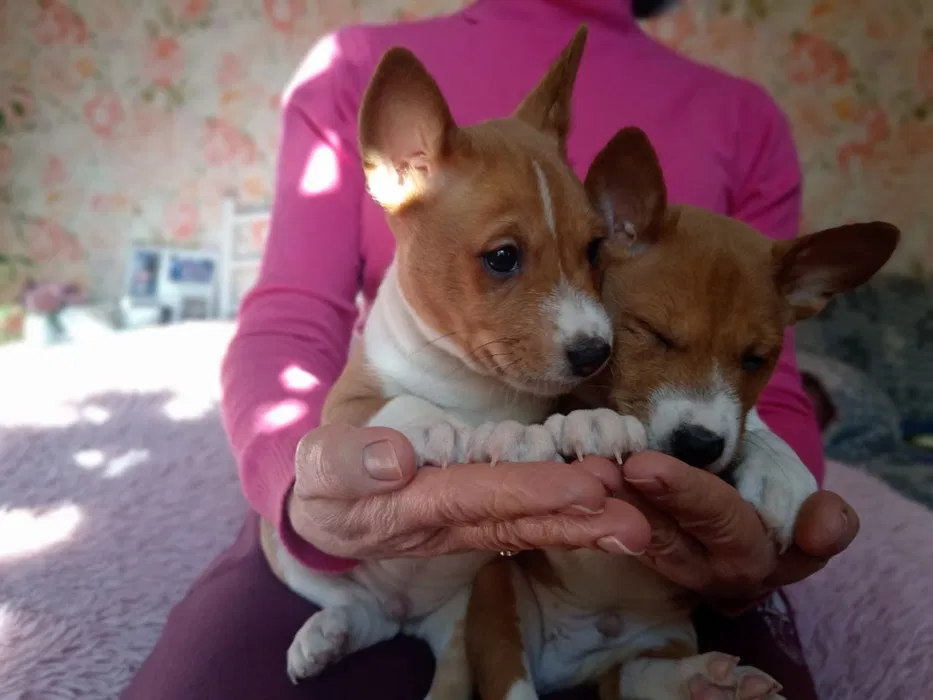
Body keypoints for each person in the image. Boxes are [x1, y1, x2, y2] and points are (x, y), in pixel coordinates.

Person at [122, 1, 861, 698]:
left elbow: (761, 361)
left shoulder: (746, 117)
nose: (586, 325)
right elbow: (289, 319)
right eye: (504, 258)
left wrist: (752, 536)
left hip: (631, 554)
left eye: (592, 253)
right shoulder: (351, 67)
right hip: (373, 532)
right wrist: (302, 497)